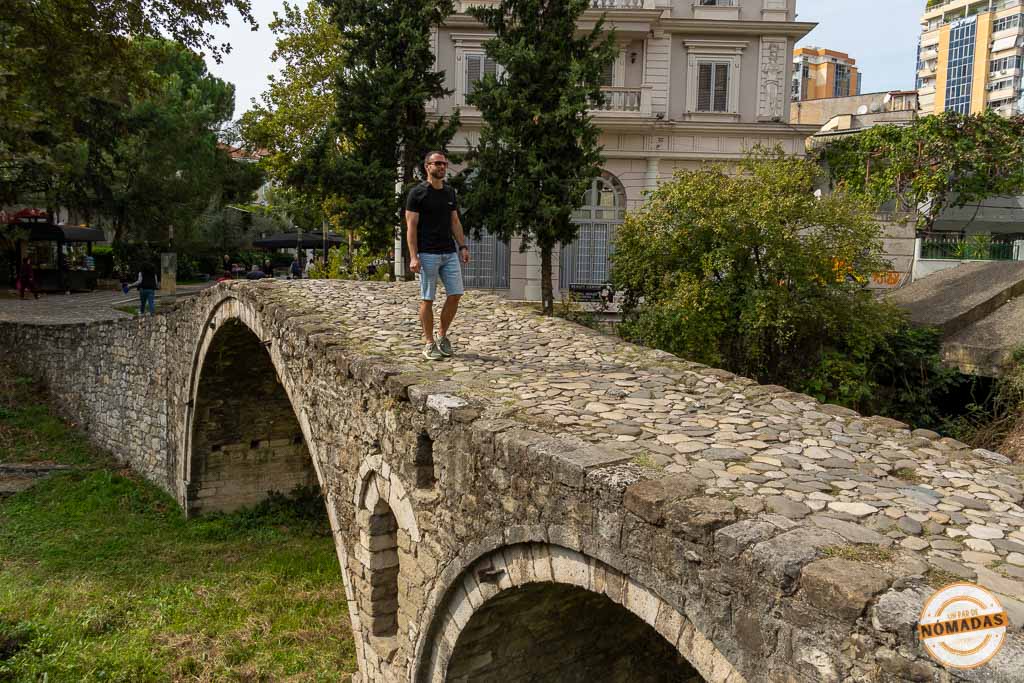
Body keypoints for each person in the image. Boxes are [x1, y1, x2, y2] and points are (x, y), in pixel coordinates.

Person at [405, 150, 471, 361]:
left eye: (444, 163)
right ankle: (428, 343)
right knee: (428, 298)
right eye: (438, 164)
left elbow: (455, 221)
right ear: (428, 167)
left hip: (449, 252)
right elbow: (411, 227)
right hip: (427, 253)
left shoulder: (450, 193)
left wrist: (462, 246)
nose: (442, 167)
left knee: (456, 294)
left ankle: (442, 335)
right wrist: (414, 256)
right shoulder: (417, 194)